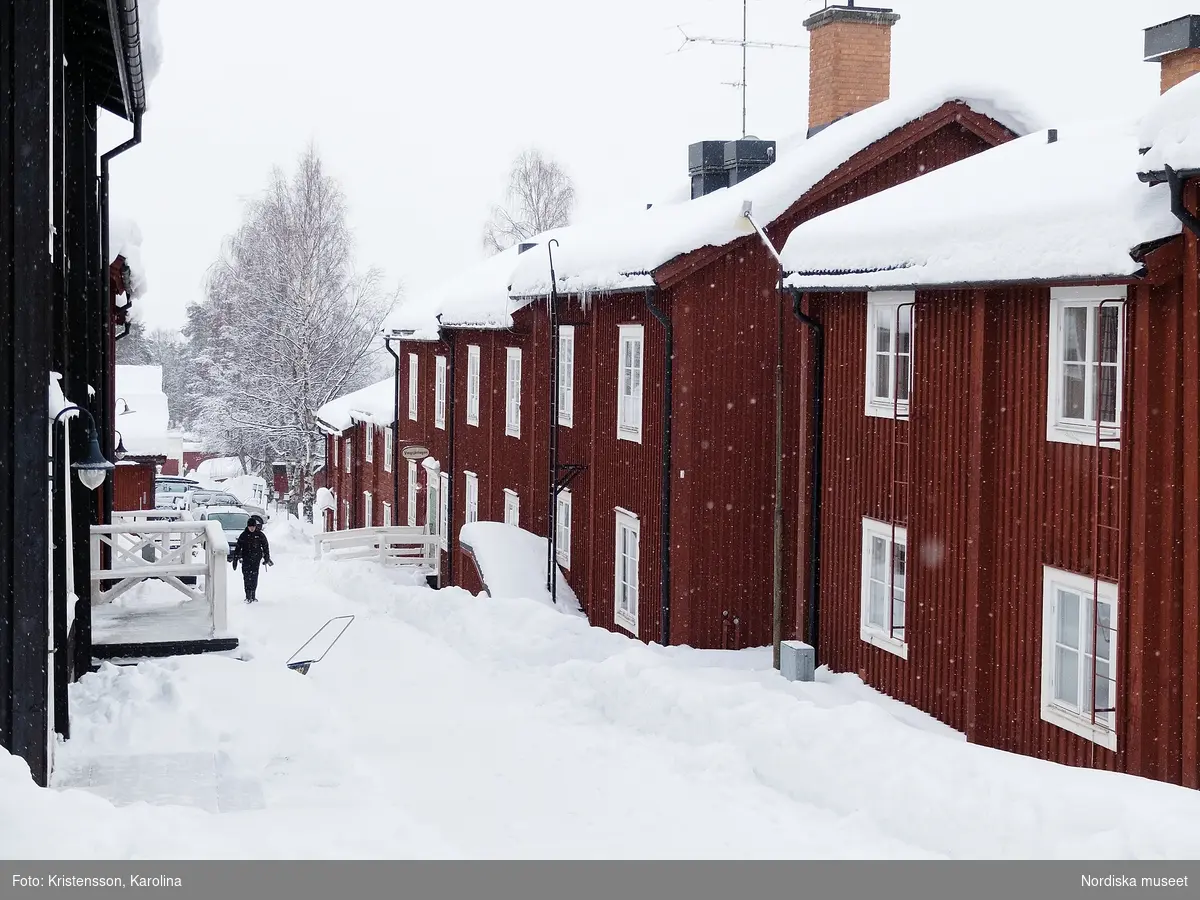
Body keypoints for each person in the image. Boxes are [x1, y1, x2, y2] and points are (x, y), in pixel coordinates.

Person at [230, 514, 272, 603]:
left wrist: (266, 557)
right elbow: (238, 548)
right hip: (246, 559)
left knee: (254, 577)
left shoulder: (260, 535)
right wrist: (235, 560)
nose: (252, 528)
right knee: (246, 577)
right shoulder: (243, 535)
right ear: (248, 526)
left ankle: (253, 595)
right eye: (250, 527)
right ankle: (247, 595)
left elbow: (265, 546)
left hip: (256, 559)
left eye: (253, 527)